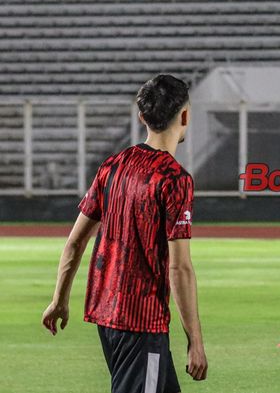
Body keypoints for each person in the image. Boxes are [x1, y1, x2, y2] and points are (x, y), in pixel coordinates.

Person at [42, 74, 208, 393]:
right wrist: (195, 341)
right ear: (185, 116)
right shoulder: (175, 180)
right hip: (142, 322)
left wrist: (59, 300)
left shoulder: (113, 166)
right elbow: (179, 267)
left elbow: (75, 242)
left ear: (142, 117)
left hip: (107, 314)